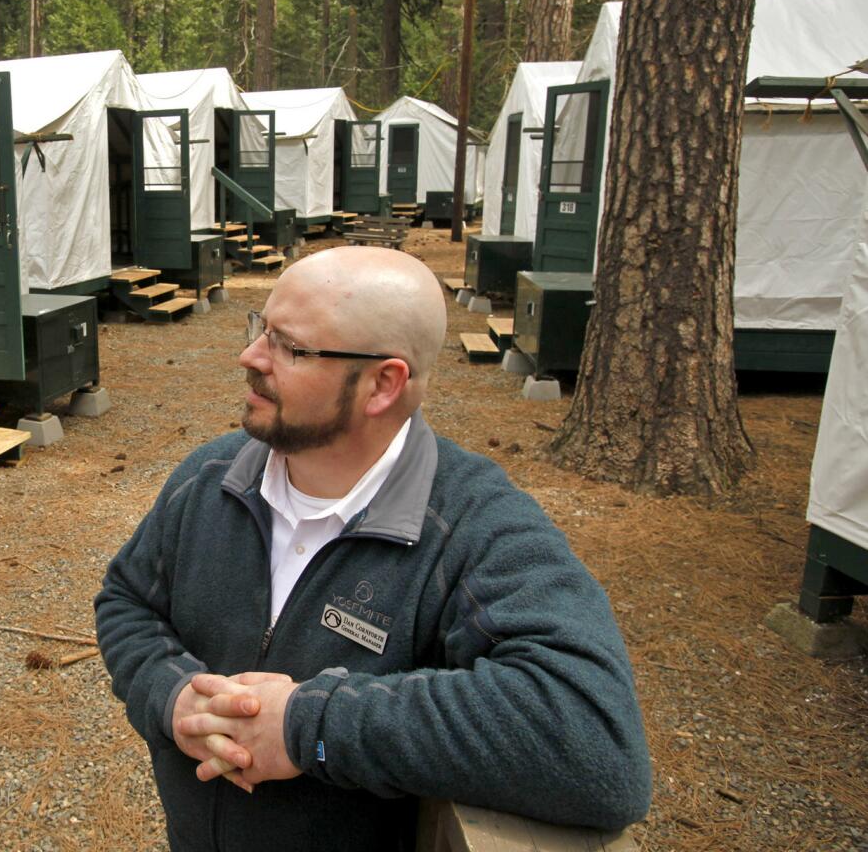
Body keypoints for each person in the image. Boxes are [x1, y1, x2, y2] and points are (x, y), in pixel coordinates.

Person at [94, 246, 652, 852]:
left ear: (383, 384)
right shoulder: (210, 477)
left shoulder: (473, 527)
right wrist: (171, 695)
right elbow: (127, 600)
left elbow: (596, 741)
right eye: (260, 328)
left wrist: (308, 726)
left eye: (291, 346)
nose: (250, 356)